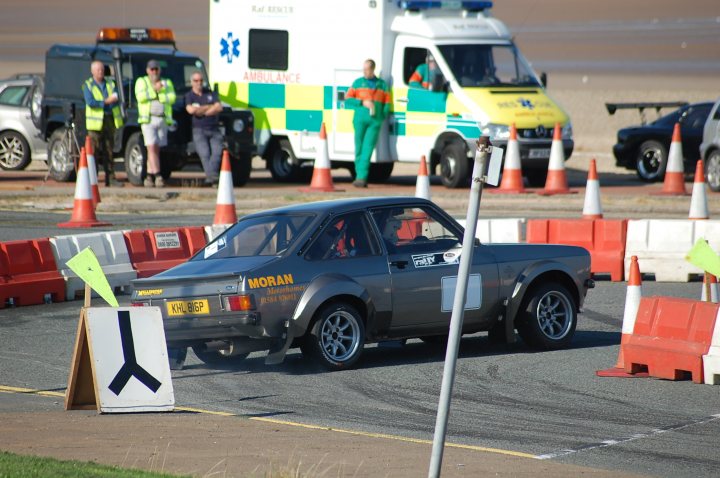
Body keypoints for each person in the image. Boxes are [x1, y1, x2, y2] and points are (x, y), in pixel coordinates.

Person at [345, 59, 390, 188]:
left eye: (367, 69)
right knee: (358, 147)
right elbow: (347, 99)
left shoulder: (382, 85)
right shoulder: (358, 83)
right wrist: (361, 102)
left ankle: (361, 177)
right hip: (359, 119)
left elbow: (387, 103)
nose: (364, 72)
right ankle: (358, 175)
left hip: (374, 121)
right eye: (363, 69)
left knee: (367, 149)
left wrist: (381, 117)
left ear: (372, 69)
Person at [82, 60, 124, 186]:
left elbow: (117, 98)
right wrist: (106, 102)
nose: (101, 72)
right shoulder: (88, 85)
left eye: (102, 69)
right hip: (94, 125)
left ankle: (110, 178)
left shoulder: (111, 83)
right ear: (92, 71)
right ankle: (92, 179)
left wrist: (111, 101)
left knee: (109, 150)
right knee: (93, 152)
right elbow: (91, 102)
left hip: (109, 120)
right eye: (98, 70)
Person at [135, 59, 176, 187]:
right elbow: (141, 97)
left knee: (156, 149)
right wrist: (156, 90)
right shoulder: (142, 82)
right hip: (148, 119)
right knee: (151, 146)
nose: (154, 72)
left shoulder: (167, 82)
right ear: (147, 70)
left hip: (162, 119)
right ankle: (158, 176)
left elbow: (172, 98)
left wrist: (159, 95)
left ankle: (148, 176)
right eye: (152, 69)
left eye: (156, 69)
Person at [185, 71, 223, 186]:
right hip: (199, 130)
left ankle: (211, 177)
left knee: (217, 152)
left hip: (214, 128)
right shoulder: (189, 96)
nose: (199, 83)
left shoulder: (210, 93)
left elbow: (219, 107)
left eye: (201, 80)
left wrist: (202, 111)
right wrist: (209, 107)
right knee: (204, 154)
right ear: (192, 82)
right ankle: (212, 177)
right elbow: (191, 110)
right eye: (196, 81)